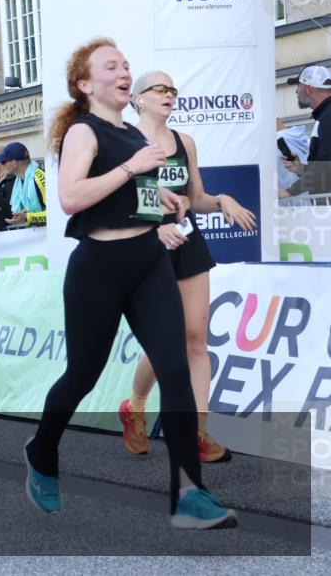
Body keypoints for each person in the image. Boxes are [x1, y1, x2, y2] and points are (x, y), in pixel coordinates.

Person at [24, 38, 236, 530]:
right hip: (99, 266)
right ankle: (41, 451)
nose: (123, 72)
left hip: (148, 261)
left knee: (176, 368)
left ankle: (189, 494)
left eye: (125, 65)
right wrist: (131, 170)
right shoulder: (84, 131)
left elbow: (134, 194)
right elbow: (71, 198)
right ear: (85, 83)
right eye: (110, 66)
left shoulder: (138, 140)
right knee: (82, 375)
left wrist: (163, 197)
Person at [121, 71, 256, 463]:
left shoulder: (185, 142)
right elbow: (114, 202)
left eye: (172, 90)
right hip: (146, 245)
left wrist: (223, 201)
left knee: (196, 338)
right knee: (166, 342)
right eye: (159, 89)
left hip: (188, 241)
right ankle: (135, 405)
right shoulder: (124, 142)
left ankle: (199, 431)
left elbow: (195, 198)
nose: (168, 95)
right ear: (139, 98)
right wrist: (153, 230)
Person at [282, 65, 331, 199]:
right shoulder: (324, 115)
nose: (296, 91)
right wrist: (302, 169)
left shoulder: (328, 116)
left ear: (309, 89)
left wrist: (290, 191)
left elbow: (326, 167)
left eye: (298, 85)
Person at [0, 142, 46, 226]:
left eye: (4, 162)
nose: (2, 165)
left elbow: (55, 213)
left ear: (14, 163)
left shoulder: (39, 178)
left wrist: (27, 217)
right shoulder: (20, 180)